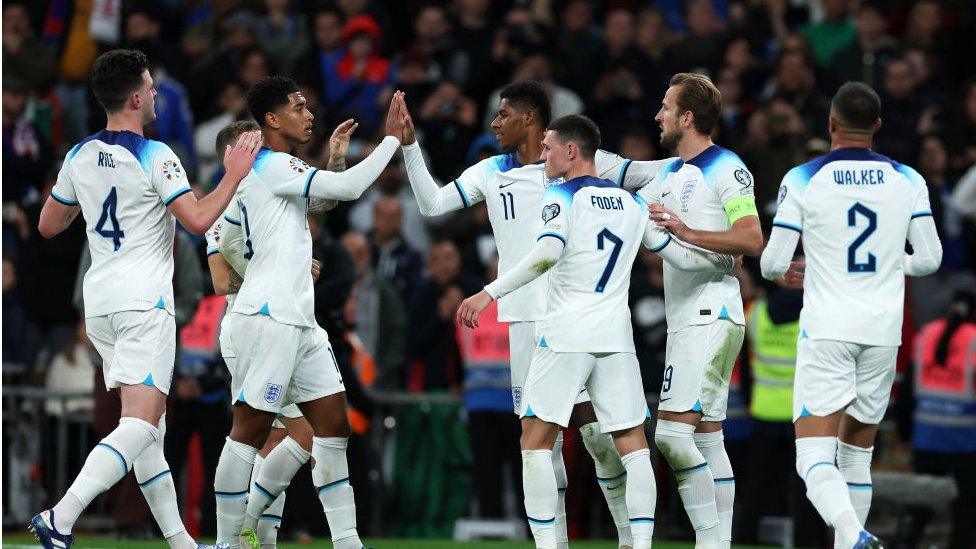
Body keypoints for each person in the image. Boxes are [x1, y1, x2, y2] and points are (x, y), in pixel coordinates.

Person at [398, 81, 672, 547]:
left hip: (574, 316)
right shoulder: (491, 171)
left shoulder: (580, 162)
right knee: (544, 443)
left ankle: (627, 537)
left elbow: (650, 172)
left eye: (502, 115)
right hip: (527, 320)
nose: (494, 124)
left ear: (529, 119)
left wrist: (687, 175)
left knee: (597, 440)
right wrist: (409, 147)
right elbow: (432, 204)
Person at [456, 114, 734, 548]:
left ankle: (551, 546)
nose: (542, 156)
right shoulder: (633, 203)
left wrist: (488, 293)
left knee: (534, 439)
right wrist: (723, 263)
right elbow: (675, 254)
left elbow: (546, 253)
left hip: (565, 334)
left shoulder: (558, 197)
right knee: (634, 445)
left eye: (548, 148)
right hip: (616, 340)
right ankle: (638, 544)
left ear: (571, 151)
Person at [31, 48, 261, 549]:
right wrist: (234, 174)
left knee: (148, 432)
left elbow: (48, 226)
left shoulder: (78, 155)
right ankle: (61, 515)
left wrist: (89, 204)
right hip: (143, 303)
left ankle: (180, 542)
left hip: (101, 305)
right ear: (136, 97)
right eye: (152, 87)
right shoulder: (157, 155)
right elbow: (198, 220)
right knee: (139, 422)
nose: (156, 93)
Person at [209, 75, 405, 549]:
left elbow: (237, 235)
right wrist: (392, 141)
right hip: (269, 319)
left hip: (298, 320)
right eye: (298, 107)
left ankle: (347, 541)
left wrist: (334, 161)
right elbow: (353, 188)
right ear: (271, 120)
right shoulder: (268, 165)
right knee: (251, 431)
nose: (309, 114)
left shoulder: (275, 172)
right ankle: (229, 540)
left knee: (332, 427)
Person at [760, 81, 944, 548]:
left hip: (829, 329)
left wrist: (804, 267)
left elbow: (772, 263)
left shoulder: (803, 177)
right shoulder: (909, 179)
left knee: (813, 456)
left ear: (831, 123)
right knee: (857, 455)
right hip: (882, 334)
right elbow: (929, 259)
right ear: (877, 127)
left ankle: (853, 533)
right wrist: (888, 261)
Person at [205, 119, 345, 549]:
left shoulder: (269, 191)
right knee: (264, 432)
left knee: (299, 434)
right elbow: (218, 280)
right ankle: (238, 532)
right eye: (252, 146)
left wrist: (335, 160)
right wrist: (276, 277)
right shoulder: (221, 207)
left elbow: (323, 198)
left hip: (285, 320)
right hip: (252, 324)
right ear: (233, 153)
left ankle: (257, 534)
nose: (261, 153)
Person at [642, 72, 763, 549]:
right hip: (689, 317)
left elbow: (751, 238)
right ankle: (721, 543)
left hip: (711, 312)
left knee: (671, 436)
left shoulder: (727, 167)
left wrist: (689, 233)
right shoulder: (668, 173)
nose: (658, 115)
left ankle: (710, 542)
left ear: (687, 118)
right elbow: (637, 218)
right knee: (709, 437)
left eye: (666, 108)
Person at [904, 290, 976, 549]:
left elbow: (907, 390)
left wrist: (906, 432)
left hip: (926, 438)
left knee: (920, 507)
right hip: (965, 443)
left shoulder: (927, 334)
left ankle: (904, 544)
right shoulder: (973, 340)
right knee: (966, 511)